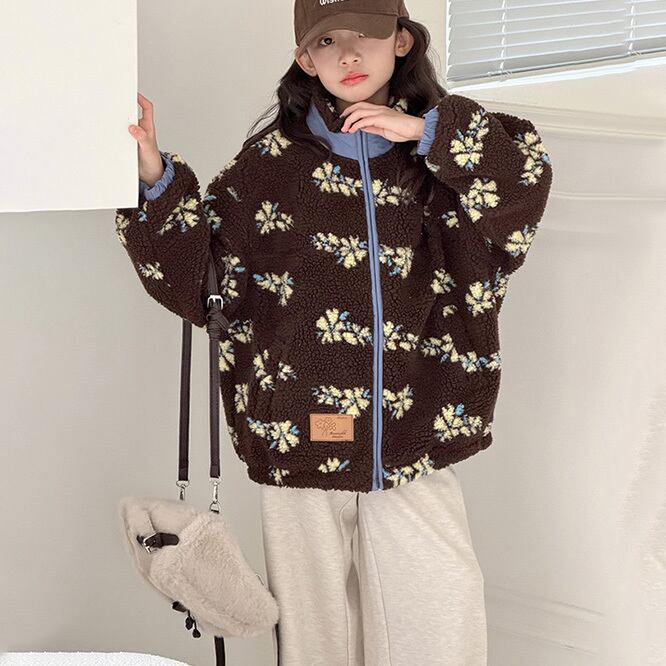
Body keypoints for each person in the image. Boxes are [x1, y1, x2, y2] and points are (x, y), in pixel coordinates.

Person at [115, 0, 553, 663]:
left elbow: (522, 188)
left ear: (401, 41)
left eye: (366, 36)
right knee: (316, 635)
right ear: (304, 58)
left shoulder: (440, 161)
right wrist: (152, 175)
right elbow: (200, 281)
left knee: (441, 615)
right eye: (326, 41)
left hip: (417, 430)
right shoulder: (271, 167)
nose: (348, 55)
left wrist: (424, 132)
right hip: (298, 432)